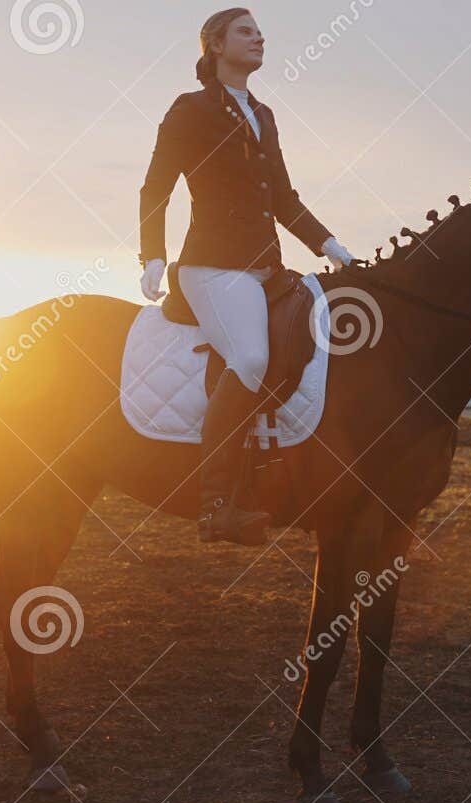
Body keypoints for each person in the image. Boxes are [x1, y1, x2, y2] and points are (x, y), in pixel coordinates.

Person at [138, 7, 355, 546]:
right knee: (251, 357)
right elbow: (155, 188)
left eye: (260, 32)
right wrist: (152, 256)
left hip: (268, 268)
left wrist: (329, 246)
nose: (259, 37)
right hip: (212, 268)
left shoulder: (263, 112)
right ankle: (215, 503)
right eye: (245, 31)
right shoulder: (189, 110)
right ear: (215, 44)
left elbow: (282, 198)